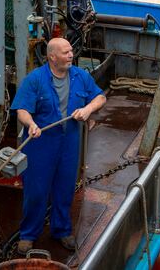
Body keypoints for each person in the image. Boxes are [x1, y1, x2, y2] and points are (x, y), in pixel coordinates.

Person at [11, 37, 107, 254]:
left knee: (64, 188)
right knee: (36, 191)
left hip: (69, 143)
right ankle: (28, 235)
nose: (71, 55)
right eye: (65, 52)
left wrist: (88, 109)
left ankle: (62, 230)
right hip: (40, 144)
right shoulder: (35, 79)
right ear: (52, 57)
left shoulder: (80, 76)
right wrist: (31, 123)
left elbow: (100, 97)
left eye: (71, 51)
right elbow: (22, 110)